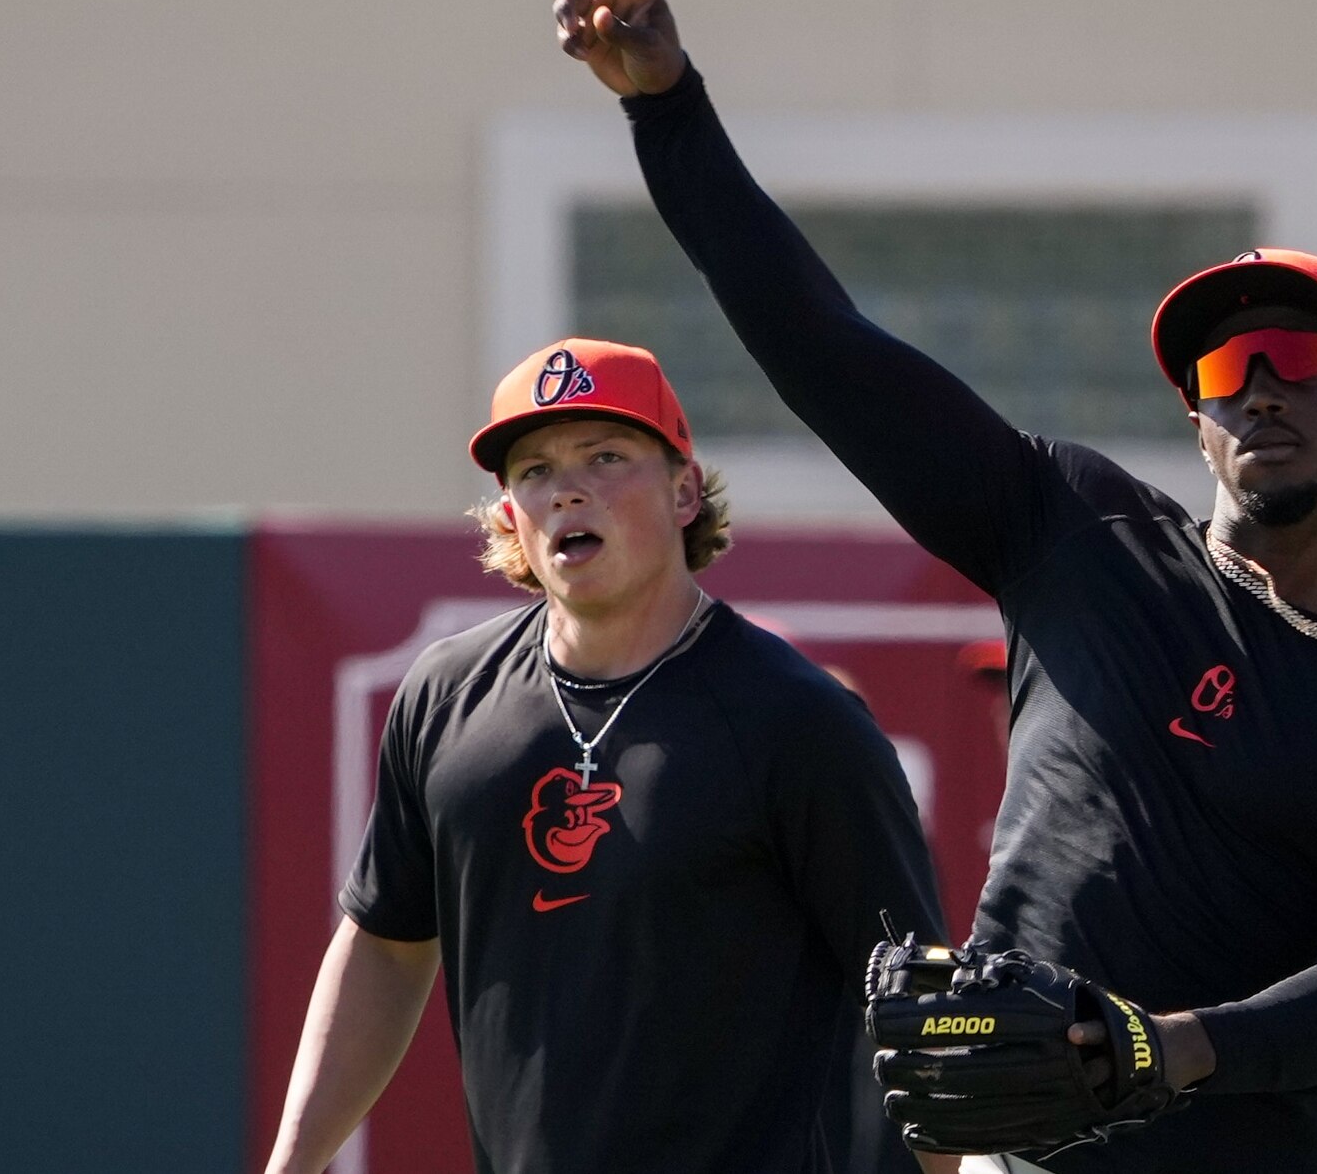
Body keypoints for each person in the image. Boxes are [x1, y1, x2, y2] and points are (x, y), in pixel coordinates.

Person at [551, 0, 1317, 1173]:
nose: (1258, 389)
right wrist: (666, 106)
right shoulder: (1075, 534)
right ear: (1195, 422)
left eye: (1292, 356)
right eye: (1222, 374)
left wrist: (1156, 1050)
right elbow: (823, 347)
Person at [263, 337, 949, 1174]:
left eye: (607, 455)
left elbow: (920, 1003)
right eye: (535, 469)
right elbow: (386, 943)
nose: (568, 489)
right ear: (510, 510)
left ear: (685, 489)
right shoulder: (445, 698)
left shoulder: (799, 719)